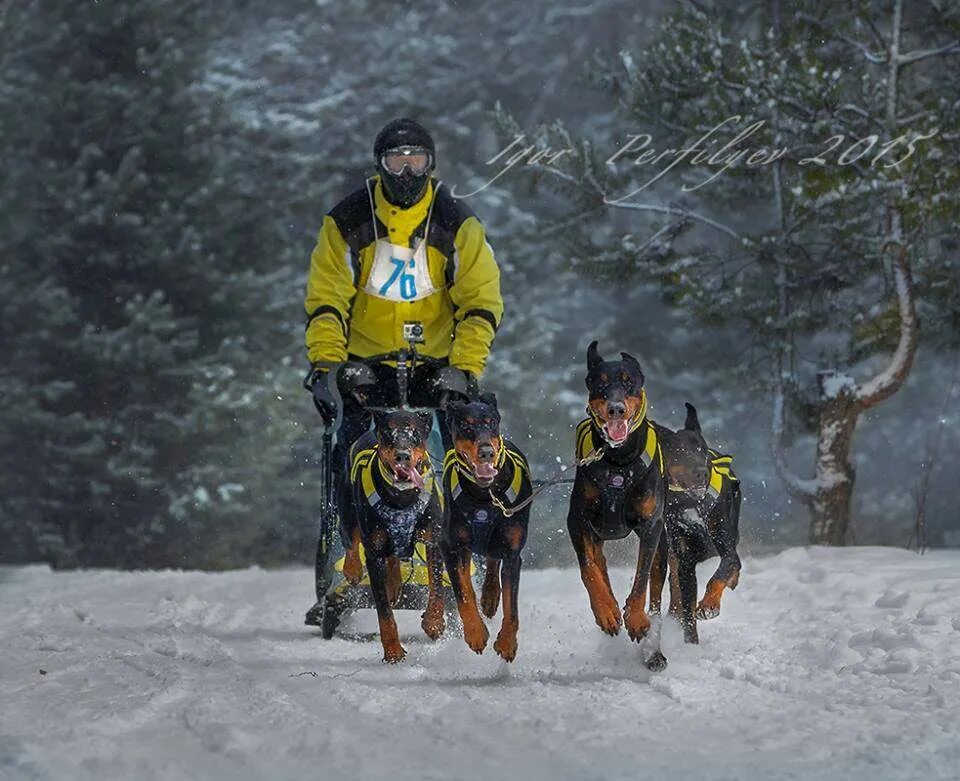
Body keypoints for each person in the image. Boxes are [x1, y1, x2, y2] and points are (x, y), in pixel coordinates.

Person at [302, 118, 504, 624]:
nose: (407, 170)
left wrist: (465, 366)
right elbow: (327, 295)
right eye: (397, 160)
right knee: (350, 453)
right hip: (366, 361)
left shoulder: (457, 222)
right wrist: (329, 364)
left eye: (417, 160)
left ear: (432, 165)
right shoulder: (348, 219)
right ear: (380, 165)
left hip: (436, 363)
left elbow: (480, 299)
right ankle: (346, 570)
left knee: (443, 457)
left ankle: (449, 568)